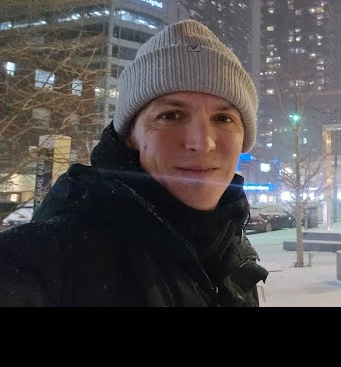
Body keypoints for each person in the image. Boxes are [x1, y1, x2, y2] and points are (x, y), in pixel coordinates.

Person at [0, 19, 268, 306]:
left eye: (223, 118)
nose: (202, 142)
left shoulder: (231, 252)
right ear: (130, 135)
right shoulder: (42, 260)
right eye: (171, 116)